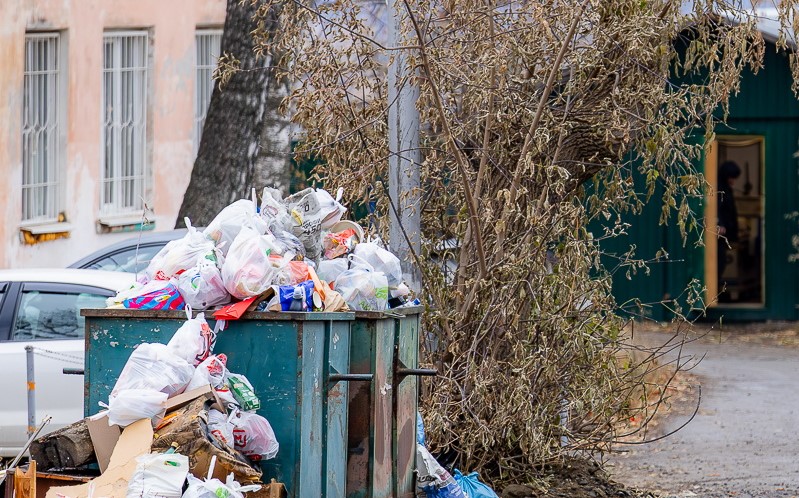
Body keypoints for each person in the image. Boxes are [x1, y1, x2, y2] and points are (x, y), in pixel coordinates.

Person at [717, 160, 741, 289]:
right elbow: (718, 208)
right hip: (720, 233)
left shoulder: (725, 188)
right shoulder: (721, 189)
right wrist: (720, 224)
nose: (733, 181)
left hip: (724, 232)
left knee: (721, 262)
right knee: (720, 262)